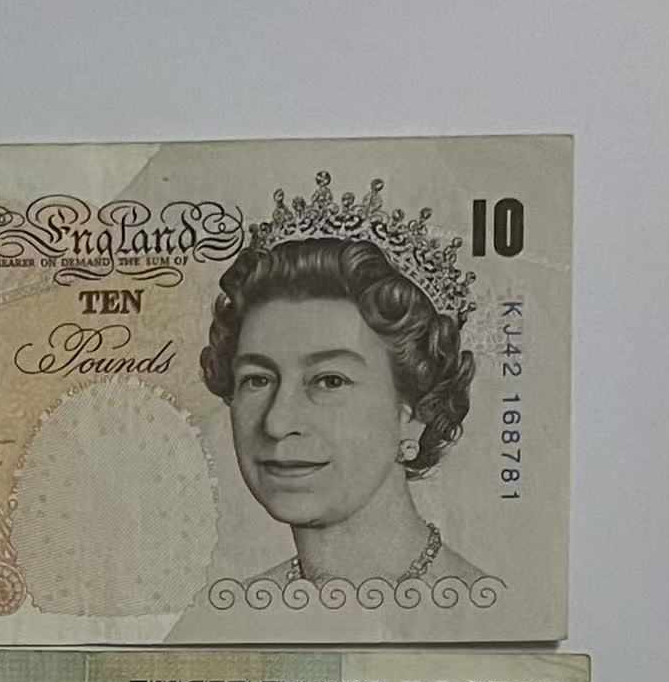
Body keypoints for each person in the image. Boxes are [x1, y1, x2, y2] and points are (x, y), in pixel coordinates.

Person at [201, 176, 481, 590]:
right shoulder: (235, 608)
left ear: (415, 413)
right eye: (257, 379)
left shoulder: (475, 603)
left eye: (329, 380)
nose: (277, 423)